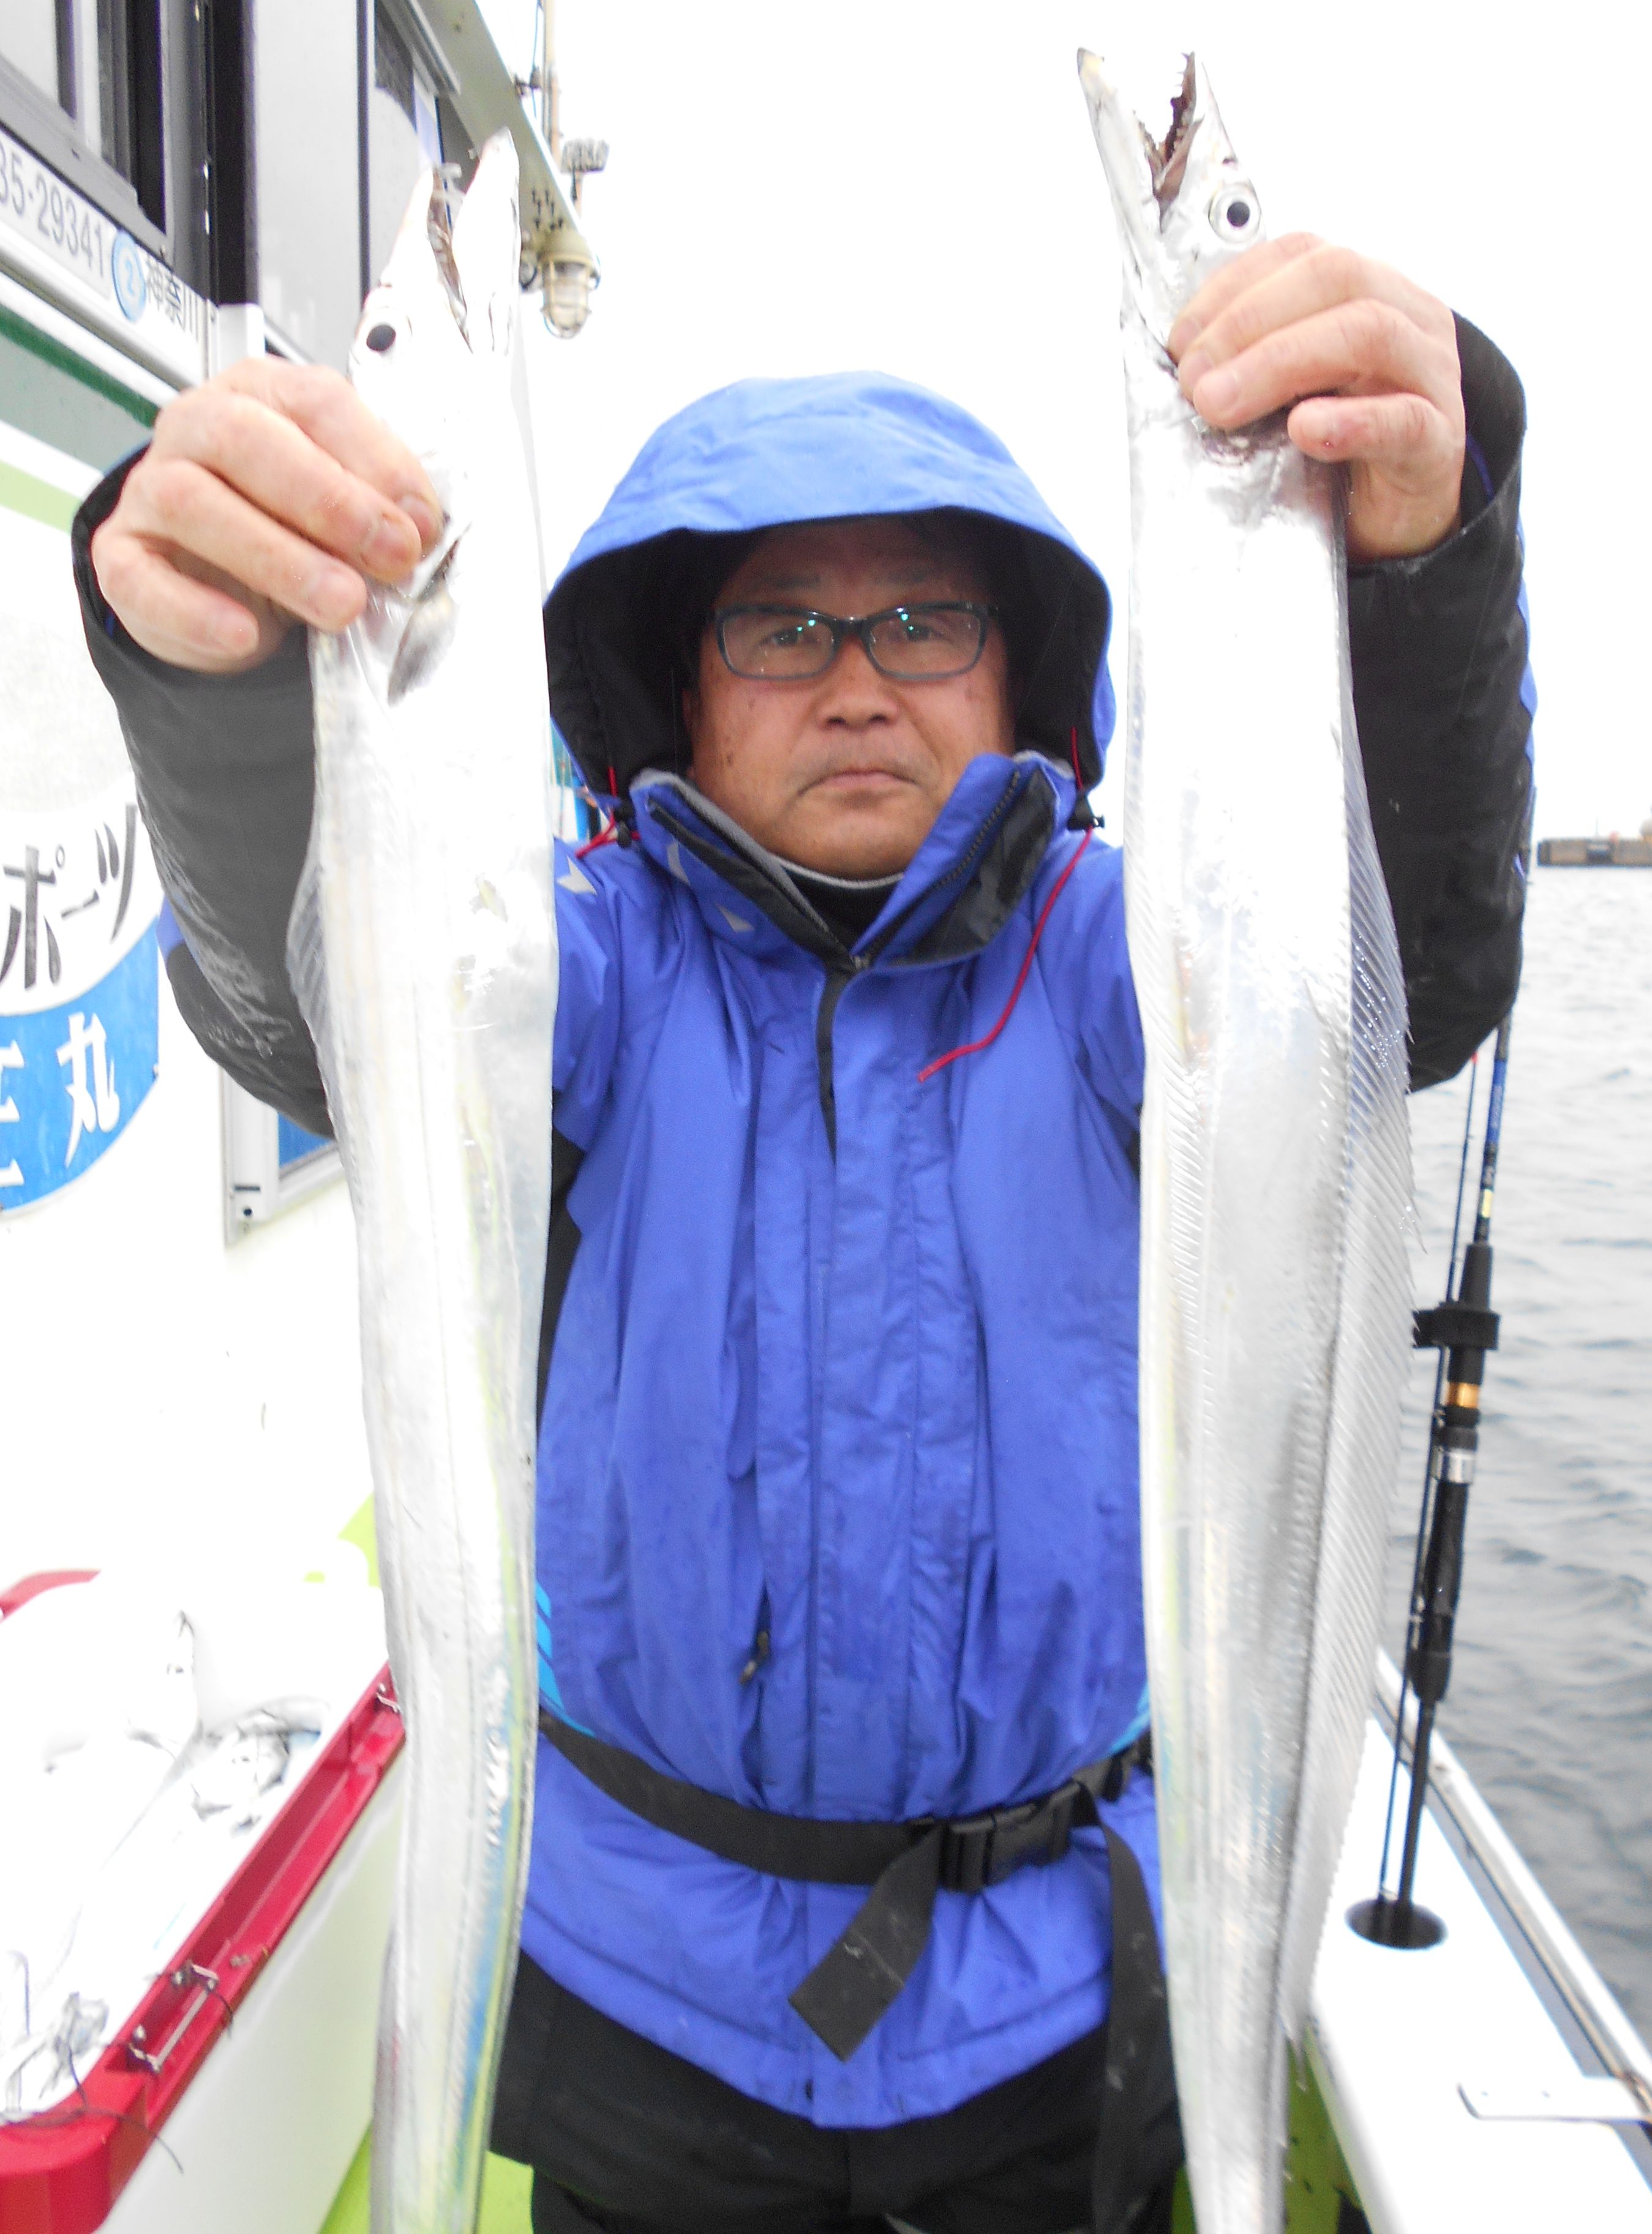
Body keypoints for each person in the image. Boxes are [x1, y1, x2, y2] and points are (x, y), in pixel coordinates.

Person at [74, 233, 1532, 2234]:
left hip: (1054, 2002)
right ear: (678, 688)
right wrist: (223, 686)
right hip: (641, 1995)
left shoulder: (1125, 965)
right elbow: (333, 1015)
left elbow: (1397, 987)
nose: (856, 682)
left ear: (1022, 675)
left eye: (924, 620)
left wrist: (1424, 574)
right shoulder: (576, 969)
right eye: (780, 629)